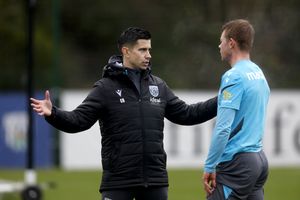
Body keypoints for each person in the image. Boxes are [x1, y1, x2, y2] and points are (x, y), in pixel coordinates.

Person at [31, 27, 217, 200]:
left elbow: (187, 114)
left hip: (155, 181)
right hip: (118, 181)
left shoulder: (158, 86)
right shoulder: (105, 88)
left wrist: (222, 101)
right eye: (142, 50)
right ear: (126, 51)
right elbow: (78, 121)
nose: (148, 55)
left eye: (149, 50)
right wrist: (52, 113)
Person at [202, 19, 270, 200]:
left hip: (238, 163)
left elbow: (223, 128)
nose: (219, 45)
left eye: (221, 40)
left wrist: (210, 166)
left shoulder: (233, 76)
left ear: (231, 43)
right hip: (259, 159)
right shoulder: (258, 73)